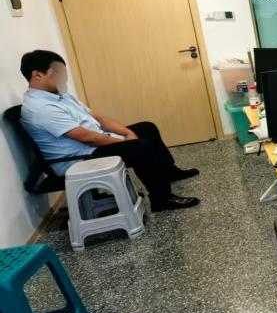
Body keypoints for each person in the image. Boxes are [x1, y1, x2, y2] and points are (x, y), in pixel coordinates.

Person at [19, 50, 200, 212]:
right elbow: (86, 137)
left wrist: (127, 133)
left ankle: (169, 172)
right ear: (37, 75)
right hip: (79, 159)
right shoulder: (41, 108)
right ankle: (162, 199)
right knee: (141, 147)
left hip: (92, 146)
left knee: (146, 128)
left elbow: (98, 118)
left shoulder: (60, 96)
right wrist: (126, 142)